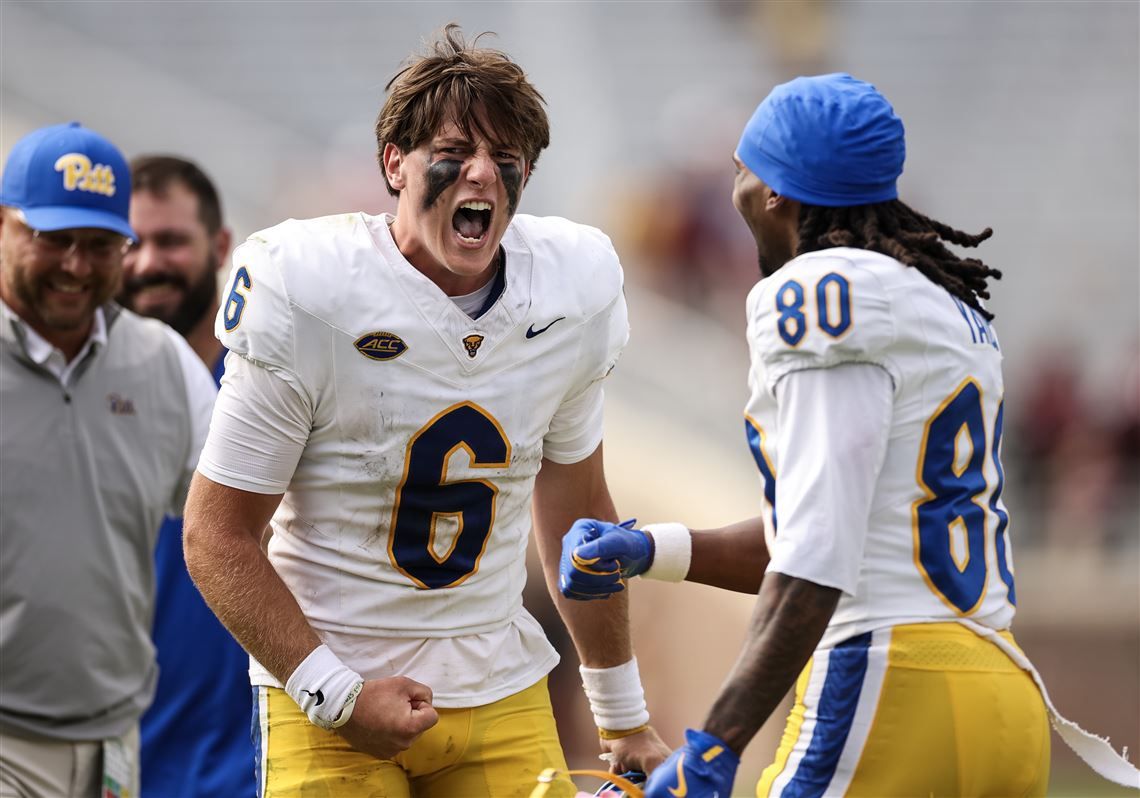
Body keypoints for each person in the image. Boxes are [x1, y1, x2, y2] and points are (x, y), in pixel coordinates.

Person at [559, 74, 1140, 796]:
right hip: (1001, 700)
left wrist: (718, 741)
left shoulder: (816, 293)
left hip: (884, 682)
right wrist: (657, 550)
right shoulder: (945, 306)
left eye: (741, 173)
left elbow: (818, 557)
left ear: (775, 190)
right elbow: (834, 529)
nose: (734, 194)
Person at [181, 25, 669, 798]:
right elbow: (216, 534)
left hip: (500, 684)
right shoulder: (310, 287)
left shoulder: (572, 288)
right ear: (393, 165)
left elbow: (578, 513)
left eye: (505, 157)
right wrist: (336, 695)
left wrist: (622, 714)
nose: (481, 171)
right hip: (334, 697)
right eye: (454, 150)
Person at [0, 123, 217, 797]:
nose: (75, 265)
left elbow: (239, 518)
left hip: (115, 746)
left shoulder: (161, 360)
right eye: (52, 240)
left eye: (98, 246)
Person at [115, 155, 254, 798]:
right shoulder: (81, 394)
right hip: (123, 762)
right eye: (131, 244)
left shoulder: (275, 392)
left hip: (262, 760)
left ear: (220, 246)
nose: (147, 264)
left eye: (170, 241)